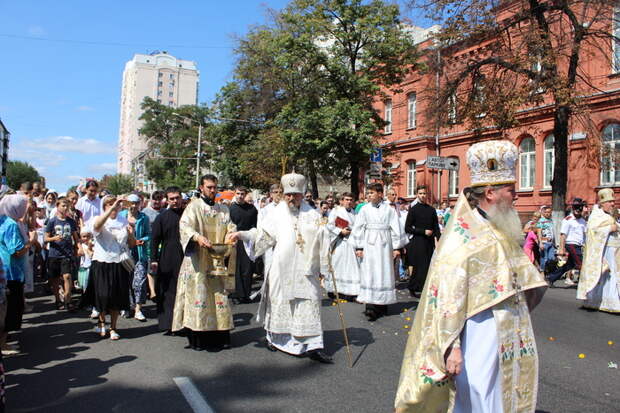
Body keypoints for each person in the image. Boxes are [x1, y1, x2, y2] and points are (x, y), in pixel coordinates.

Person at [395, 140, 547, 413]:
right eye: (511, 190)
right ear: (491, 193)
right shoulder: (463, 239)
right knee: (477, 392)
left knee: (503, 393)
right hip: (479, 331)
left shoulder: (502, 229)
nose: (517, 196)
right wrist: (452, 348)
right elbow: (448, 298)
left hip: (510, 331)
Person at [228, 172, 332, 363]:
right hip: (281, 267)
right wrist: (242, 234)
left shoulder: (313, 214)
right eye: (288, 194)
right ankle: (275, 340)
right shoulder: (276, 213)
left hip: (305, 269)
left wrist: (324, 234)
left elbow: (322, 239)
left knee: (308, 304)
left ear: (302, 193)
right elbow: (262, 236)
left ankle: (313, 346)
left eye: (296, 194)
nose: (291, 198)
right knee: (280, 304)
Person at [172, 175, 236, 351]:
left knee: (218, 297)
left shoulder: (223, 208)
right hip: (198, 261)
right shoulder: (193, 207)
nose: (213, 190)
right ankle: (198, 339)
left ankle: (220, 337)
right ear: (201, 188)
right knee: (199, 297)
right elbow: (184, 226)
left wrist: (231, 235)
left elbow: (230, 226)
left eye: (215, 187)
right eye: (209, 187)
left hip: (216, 260)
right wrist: (197, 237)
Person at [352, 183, 404, 321]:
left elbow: (396, 228)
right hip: (369, 245)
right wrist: (359, 247)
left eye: (372, 192)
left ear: (380, 194)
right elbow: (358, 228)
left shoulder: (389, 210)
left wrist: (397, 248)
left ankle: (383, 305)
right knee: (370, 273)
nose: (369, 195)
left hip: (385, 245)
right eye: (368, 193)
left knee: (384, 272)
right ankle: (370, 307)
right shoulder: (364, 210)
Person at [88, 196, 136, 340]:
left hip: (118, 263)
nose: (114, 207)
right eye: (109, 204)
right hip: (101, 262)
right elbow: (96, 227)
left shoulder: (123, 221)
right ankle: (101, 323)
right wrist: (111, 207)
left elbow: (132, 244)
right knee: (103, 295)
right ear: (104, 206)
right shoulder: (99, 218)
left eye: (116, 205)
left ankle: (113, 328)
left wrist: (131, 233)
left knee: (116, 297)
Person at [577, 188, 620, 312]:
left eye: (613, 201)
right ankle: (601, 301)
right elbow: (592, 232)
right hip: (603, 251)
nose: (612, 204)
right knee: (606, 275)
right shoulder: (596, 215)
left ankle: (611, 301)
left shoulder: (610, 215)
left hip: (614, 251)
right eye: (609, 202)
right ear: (602, 203)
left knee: (613, 275)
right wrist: (608, 229)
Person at [0, 195, 32, 354]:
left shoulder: (4, 220)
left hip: (6, 271)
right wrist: (30, 242)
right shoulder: (11, 224)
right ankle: (3, 344)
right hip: (11, 272)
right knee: (11, 309)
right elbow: (16, 251)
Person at [151, 187, 185, 333]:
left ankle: (184, 323)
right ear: (167, 200)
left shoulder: (188, 214)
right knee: (168, 291)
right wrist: (153, 259)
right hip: (167, 257)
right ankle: (168, 324)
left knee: (184, 291)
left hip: (186, 256)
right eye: (172, 199)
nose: (175, 201)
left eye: (177, 198)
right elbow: (154, 240)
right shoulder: (162, 217)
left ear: (181, 198)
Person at [45, 197, 80, 311]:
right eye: (63, 206)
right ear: (57, 206)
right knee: (55, 279)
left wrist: (78, 248)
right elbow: (45, 238)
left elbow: (75, 237)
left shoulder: (71, 222)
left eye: (67, 206)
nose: (65, 208)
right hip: (54, 254)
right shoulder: (52, 221)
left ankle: (68, 300)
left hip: (67, 254)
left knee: (67, 276)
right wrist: (54, 238)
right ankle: (57, 299)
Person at [404, 185, 440, 298]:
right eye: (420, 193)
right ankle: (413, 287)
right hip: (418, 241)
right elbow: (407, 228)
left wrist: (438, 239)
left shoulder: (431, 210)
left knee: (428, 265)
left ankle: (424, 287)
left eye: (424, 193)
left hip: (429, 242)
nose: (423, 196)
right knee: (418, 265)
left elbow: (436, 226)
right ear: (417, 195)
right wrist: (423, 231)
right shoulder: (413, 210)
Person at [119, 194, 150, 321]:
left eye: (136, 203)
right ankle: (126, 306)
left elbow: (149, 234)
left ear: (140, 204)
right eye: (131, 203)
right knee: (125, 282)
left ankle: (138, 309)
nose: (133, 206)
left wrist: (142, 239)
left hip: (139, 253)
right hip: (124, 253)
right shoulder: (121, 216)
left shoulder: (144, 217)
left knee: (139, 281)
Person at [324, 192, 361, 301]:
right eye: (346, 199)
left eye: (351, 200)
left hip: (351, 244)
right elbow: (329, 225)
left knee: (351, 268)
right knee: (338, 267)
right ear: (341, 201)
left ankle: (350, 292)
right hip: (340, 243)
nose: (349, 202)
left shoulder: (355, 213)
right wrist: (340, 231)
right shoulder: (336, 211)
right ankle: (333, 290)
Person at [547, 198, 587, 286]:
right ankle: (586, 284)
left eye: (579, 207)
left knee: (569, 266)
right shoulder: (568, 220)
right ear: (572, 208)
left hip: (579, 245)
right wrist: (561, 249)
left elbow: (585, 235)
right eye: (575, 207)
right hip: (571, 244)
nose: (577, 210)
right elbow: (563, 235)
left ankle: (551, 278)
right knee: (581, 264)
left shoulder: (583, 221)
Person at [229, 186, 258, 304]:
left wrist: (250, 235)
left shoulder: (252, 209)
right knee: (235, 268)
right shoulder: (231, 209)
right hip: (233, 240)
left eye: (242, 194)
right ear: (235, 194)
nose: (240, 196)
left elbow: (255, 225)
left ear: (246, 195)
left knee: (247, 268)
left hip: (248, 240)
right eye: (238, 193)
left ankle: (246, 293)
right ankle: (237, 293)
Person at [536, 205, 555, 271]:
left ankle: (548, 271)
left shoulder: (550, 220)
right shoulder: (541, 221)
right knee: (544, 258)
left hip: (551, 243)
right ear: (543, 213)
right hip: (544, 243)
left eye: (549, 212)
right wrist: (540, 243)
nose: (547, 213)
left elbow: (552, 232)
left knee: (551, 258)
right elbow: (539, 232)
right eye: (546, 212)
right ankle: (542, 272)